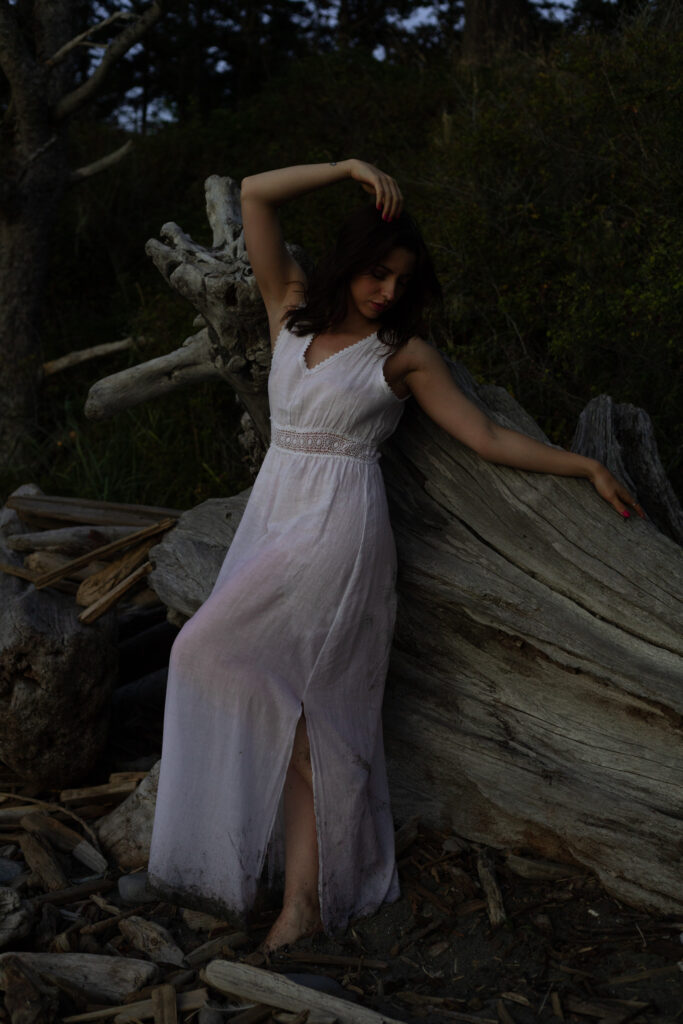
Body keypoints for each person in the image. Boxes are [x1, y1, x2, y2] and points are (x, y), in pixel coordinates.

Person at [147, 159, 643, 953]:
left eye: (400, 280)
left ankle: (303, 902)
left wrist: (581, 464)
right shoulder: (293, 312)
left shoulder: (401, 353)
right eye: (377, 273)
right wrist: (346, 166)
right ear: (352, 263)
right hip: (272, 517)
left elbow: (483, 436)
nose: (384, 291)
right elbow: (253, 196)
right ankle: (302, 903)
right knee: (277, 698)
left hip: (335, 532)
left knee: (202, 650)